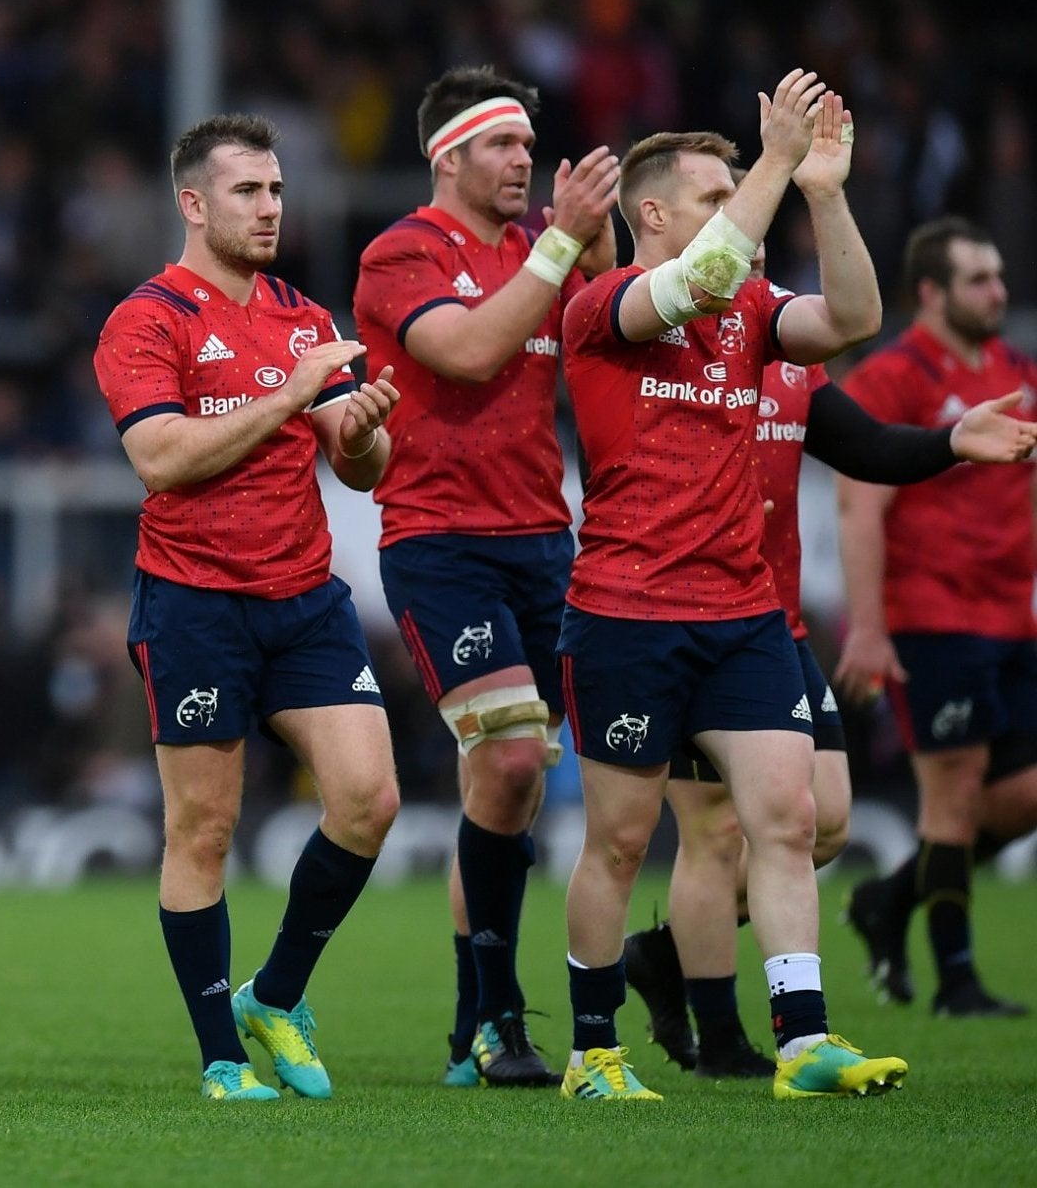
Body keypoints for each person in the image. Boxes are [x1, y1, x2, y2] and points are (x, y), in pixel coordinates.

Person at [554, 72, 905, 1102]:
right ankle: (593, 1051)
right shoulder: (601, 306)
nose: (736, 212)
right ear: (651, 213)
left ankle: (804, 1043)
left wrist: (824, 190)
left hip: (742, 614)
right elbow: (698, 277)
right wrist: (772, 163)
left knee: (789, 821)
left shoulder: (749, 311)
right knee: (618, 843)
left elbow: (852, 316)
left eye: (736, 190)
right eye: (713, 195)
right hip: (625, 611)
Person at [624, 247, 1037, 1074]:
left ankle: (666, 953)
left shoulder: (788, 368)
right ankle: (721, 1035)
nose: (754, 253)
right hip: (679, 621)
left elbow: (872, 449)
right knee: (712, 832)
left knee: (827, 821)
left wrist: (954, 439)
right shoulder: (659, 351)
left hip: (775, 627)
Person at [95, 113, 403, 1103]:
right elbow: (161, 461)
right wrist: (290, 399)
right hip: (194, 605)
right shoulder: (147, 320)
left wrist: (359, 431)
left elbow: (359, 470)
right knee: (203, 829)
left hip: (304, 597)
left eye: (275, 191)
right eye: (247, 192)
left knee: (369, 799)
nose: (271, 207)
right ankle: (221, 1060)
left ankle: (274, 995)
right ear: (193, 203)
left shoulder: (305, 320)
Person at [352, 66, 619, 1087]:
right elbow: (463, 352)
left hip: (548, 542)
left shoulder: (534, 252)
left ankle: (481, 1021)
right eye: (502, 146)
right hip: (440, 541)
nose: (523, 162)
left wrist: (599, 250)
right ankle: (500, 1015)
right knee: (510, 767)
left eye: (527, 144)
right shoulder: (402, 253)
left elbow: (613, 340)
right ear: (447, 156)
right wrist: (561, 248)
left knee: (520, 784)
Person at [837, 218, 1037, 1017]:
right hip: (931, 614)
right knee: (952, 795)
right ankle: (958, 981)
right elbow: (859, 507)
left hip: (1011, 616)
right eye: (979, 279)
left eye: (997, 276)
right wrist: (869, 625)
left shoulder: (1012, 368)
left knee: (1023, 797)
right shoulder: (891, 377)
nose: (999, 290)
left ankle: (887, 898)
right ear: (931, 293)